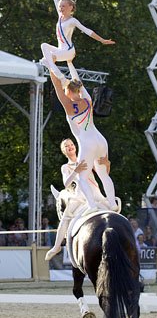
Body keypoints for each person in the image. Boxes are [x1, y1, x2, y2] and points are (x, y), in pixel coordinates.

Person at [48, 63, 118, 214]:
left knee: (81, 179)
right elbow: (78, 80)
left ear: (68, 92)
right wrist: (70, 63)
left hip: (87, 143)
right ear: (79, 90)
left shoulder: (68, 105)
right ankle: (112, 202)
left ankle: (92, 205)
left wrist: (51, 68)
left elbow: (58, 89)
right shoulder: (87, 100)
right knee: (103, 174)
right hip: (100, 140)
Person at [40, 0, 115, 82]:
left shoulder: (72, 21)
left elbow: (87, 31)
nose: (60, 8)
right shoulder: (60, 16)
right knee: (44, 48)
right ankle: (56, 72)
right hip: (60, 49)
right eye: (60, 6)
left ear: (71, 7)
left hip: (68, 51)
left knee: (48, 59)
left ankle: (56, 72)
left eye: (63, 6)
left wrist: (102, 40)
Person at [45, 138, 111, 261]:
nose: (70, 147)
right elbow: (66, 183)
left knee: (113, 212)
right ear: (63, 151)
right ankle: (56, 246)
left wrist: (107, 164)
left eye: (71, 144)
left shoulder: (86, 159)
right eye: (66, 146)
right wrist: (76, 170)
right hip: (81, 195)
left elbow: (104, 174)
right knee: (66, 217)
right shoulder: (65, 167)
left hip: (96, 193)